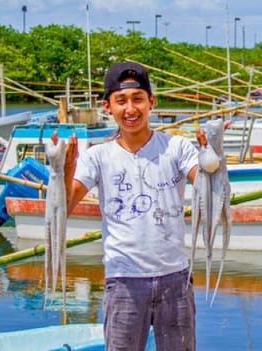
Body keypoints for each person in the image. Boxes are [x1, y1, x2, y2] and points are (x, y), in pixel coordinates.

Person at [60, 61, 205, 350]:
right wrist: (62, 170)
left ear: (151, 102)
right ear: (107, 106)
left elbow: (204, 184)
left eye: (138, 99)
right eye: (121, 101)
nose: (130, 109)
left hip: (175, 279)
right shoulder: (97, 156)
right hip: (123, 281)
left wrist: (213, 157)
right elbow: (64, 205)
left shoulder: (177, 147)